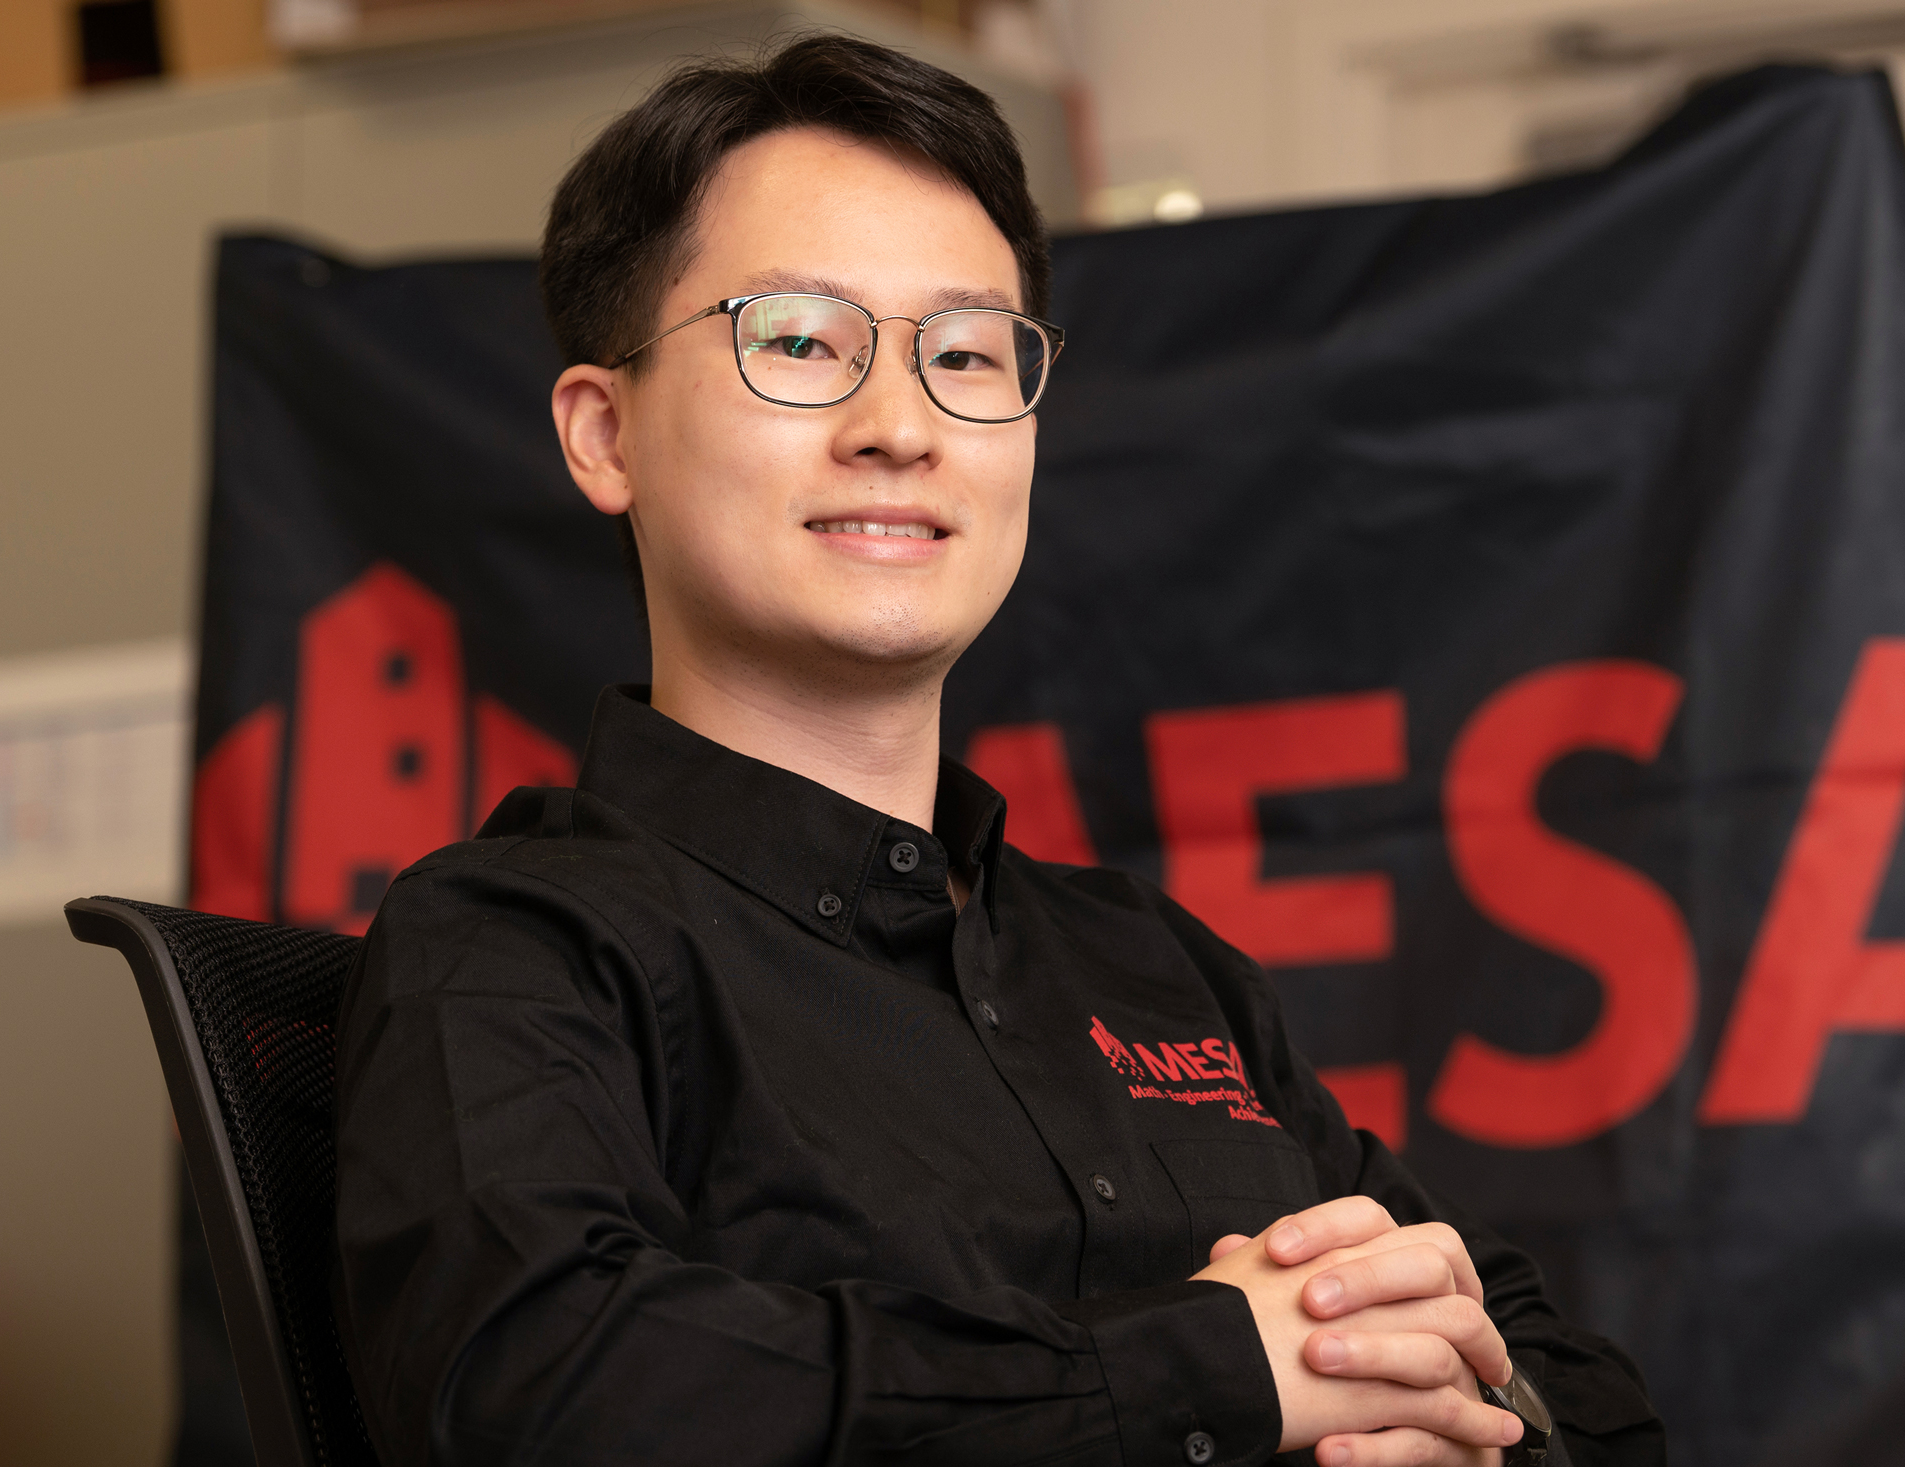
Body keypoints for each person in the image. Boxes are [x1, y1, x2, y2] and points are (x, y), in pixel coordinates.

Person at [332, 33, 1662, 1467]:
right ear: (606, 437)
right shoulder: (514, 944)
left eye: (965, 354)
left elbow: (1568, 1381)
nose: (900, 425)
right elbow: (551, 1395)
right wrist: (1212, 1365)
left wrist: (1471, 1419)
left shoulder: (1154, 966)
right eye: (798, 341)